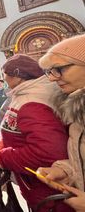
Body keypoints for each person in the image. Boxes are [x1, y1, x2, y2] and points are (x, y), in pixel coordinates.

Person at [0, 54, 72, 211]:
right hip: (35, 186)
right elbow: (25, 129)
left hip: (48, 192)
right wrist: (7, 141)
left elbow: (47, 152)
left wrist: (3, 157)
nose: (4, 77)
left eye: (6, 73)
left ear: (18, 75)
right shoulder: (25, 93)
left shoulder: (33, 102)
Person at [36, 34, 85, 212]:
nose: (52, 78)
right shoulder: (75, 108)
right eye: (49, 71)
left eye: (59, 69)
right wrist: (64, 171)